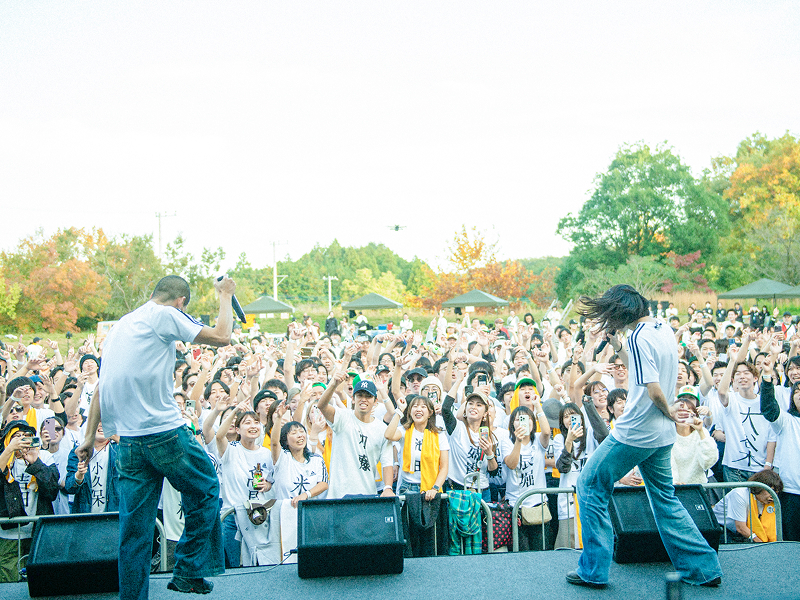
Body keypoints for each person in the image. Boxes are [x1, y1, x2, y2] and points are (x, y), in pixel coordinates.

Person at [76, 275, 235, 599]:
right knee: (206, 487)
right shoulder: (164, 314)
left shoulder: (120, 326)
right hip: (163, 433)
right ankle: (189, 569)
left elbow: (102, 389)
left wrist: (89, 437)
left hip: (128, 443)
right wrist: (225, 295)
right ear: (180, 302)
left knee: (134, 531)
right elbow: (222, 336)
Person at [567, 284, 722, 589]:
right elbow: (641, 368)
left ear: (620, 312)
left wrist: (669, 411)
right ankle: (704, 569)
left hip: (635, 433)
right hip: (662, 437)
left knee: (589, 485)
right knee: (665, 500)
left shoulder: (638, 337)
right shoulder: (662, 328)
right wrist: (618, 345)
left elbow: (653, 390)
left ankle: (593, 571)